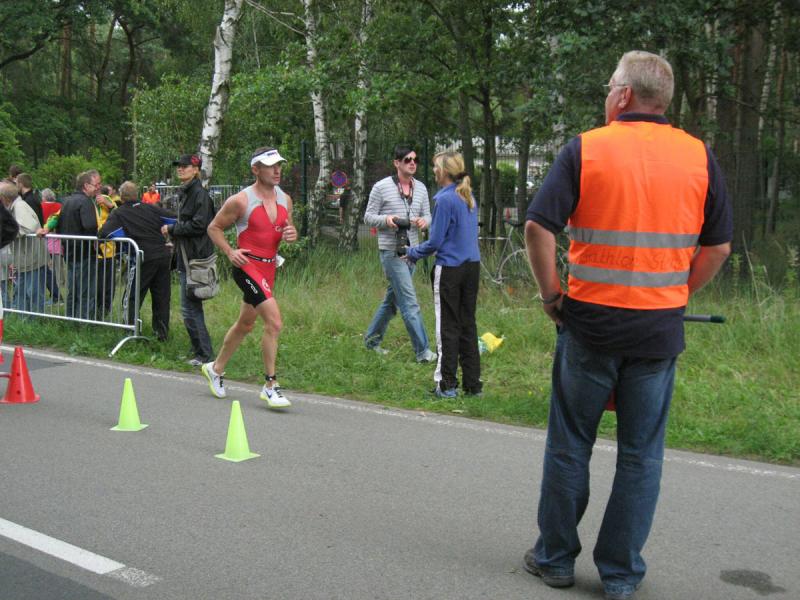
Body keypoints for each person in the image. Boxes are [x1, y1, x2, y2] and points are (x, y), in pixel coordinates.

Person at [522, 51, 733, 600]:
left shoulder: (587, 148)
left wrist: (551, 295)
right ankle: (619, 575)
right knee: (641, 456)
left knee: (570, 445)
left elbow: (538, 228)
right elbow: (718, 247)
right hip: (657, 332)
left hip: (589, 325)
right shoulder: (698, 156)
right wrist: (675, 294)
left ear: (623, 95)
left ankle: (555, 559)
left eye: (609, 87)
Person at [201, 146, 298, 409]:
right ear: (256, 169)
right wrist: (230, 251)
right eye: (270, 166)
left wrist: (291, 235)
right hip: (247, 267)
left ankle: (215, 368)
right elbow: (214, 228)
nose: (277, 170)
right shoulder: (241, 201)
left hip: (269, 269)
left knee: (245, 324)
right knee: (274, 322)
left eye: (279, 165)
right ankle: (270, 385)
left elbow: (286, 230)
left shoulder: (285, 199)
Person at [405, 151, 481, 398]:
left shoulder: (444, 200)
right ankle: (473, 385)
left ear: (445, 171)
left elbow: (435, 242)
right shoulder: (468, 196)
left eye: (436, 167)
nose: (433, 170)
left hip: (449, 269)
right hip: (472, 268)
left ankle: (446, 385)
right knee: (467, 325)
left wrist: (411, 252)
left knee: (447, 327)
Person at [363, 144, 436, 362]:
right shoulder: (381, 187)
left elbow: (428, 215)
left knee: (392, 302)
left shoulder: (421, 188)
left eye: (415, 160)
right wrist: (387, 220)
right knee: (410, 303)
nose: (412, 163)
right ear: (397, 163)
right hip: (391, 252)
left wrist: (424, 222)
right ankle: (423, 352)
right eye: (407, 160)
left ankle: (371, 341)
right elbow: (368, 217)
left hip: (412, 252)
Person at [99, 181, 173, 341]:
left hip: (142, 258)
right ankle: (161, 334)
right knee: (162, 297)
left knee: (132, 295)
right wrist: (167, 231)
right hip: (162, 255)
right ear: (138, 194)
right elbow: (173, 219)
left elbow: (105, 233)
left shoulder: (120, 213)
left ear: (121, 197)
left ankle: (130, 331)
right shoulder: (151, 208)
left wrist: (125, 239)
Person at [161, 154, 215, 366]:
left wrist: (173, 228)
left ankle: (205, 355)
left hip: (195, 258)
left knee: (191, 307)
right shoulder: (187, 192)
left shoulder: (200, 194)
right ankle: (198, 350)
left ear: (196, 169)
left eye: (185, 166)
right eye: (179, 166)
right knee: (189, 307)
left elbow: (200, 225)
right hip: (186, 256)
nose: (180, 169)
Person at [55, 170, 101, 319]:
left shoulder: (66, 201)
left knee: (72, 290)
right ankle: (85, 321)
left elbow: (59, 225)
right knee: (86, 291)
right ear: (86, 186)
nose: (97, 188)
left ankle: (71, 319)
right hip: (84, 253)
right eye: (95, 185)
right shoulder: (86, 202)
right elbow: (90, 225)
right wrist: (96, 238)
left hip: (69, 252)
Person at [0, 182, 47, 314]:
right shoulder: (14, 206)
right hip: (24, 259)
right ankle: (25, 319)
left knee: (33, 293)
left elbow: (28, 227)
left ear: (4, 198)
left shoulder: (20, 207)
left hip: (31, 258)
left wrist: (6, 233)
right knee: (22, 292)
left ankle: (36, 319)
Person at [95, 185, 117, 316]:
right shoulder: (87, 200)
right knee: (100, 284)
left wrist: (110, 205)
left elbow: (118, 214)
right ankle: (99, 310)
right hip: (95, 251)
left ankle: (104, 310)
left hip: (107, 250)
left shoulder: (106, 199)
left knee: (106, 284)